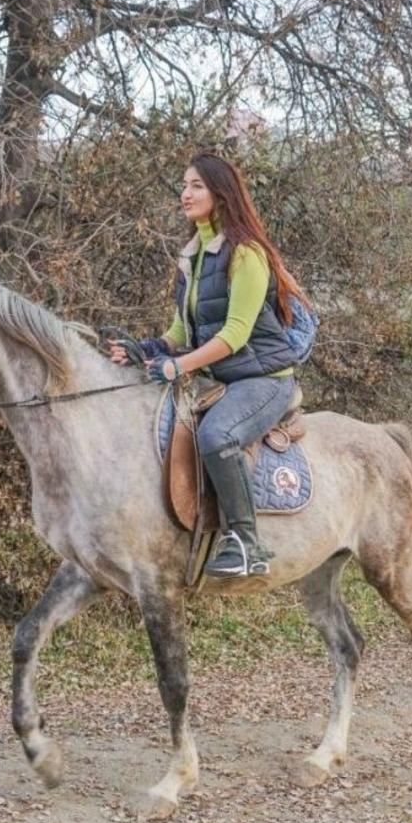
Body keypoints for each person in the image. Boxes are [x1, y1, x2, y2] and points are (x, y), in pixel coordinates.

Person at [109, 153, 309, 578]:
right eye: (184, 185)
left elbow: (235, 334)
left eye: (196, 186)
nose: (185, 194)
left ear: (221, 194)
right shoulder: (194, 256)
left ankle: (247, 544)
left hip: (264, 379)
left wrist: (178, 367)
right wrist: (143, 350)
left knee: (217, 437)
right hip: (222, 381)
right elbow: (180, 331)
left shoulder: (247, 254)